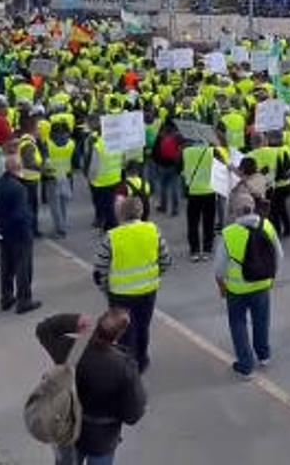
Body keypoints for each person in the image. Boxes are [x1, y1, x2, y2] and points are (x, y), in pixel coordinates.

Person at [36, 309, 147, 465]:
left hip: (67, 428)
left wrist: (74, 320)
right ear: (119, 334)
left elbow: (43, 330)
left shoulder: (73, 350)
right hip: (102, 439)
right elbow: (133, 414)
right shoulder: (124, 367)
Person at [93, 197, 171, 374]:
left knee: (123, 334)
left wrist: (106, 289)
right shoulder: (153, 231)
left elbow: (100, 270)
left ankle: (126, 368)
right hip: (148, 292)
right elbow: (166, 260)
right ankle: (141, 361)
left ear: (120, 213)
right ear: (141, 212)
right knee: (143, 328)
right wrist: (154, 277)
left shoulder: (112, 237)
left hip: (120, 294)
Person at [215, 191, 282, 378]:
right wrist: (272, 278)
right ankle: (264, 354)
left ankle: (245, 365)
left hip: (237, 289)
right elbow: (279, 255)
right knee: (262, 320)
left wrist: (221, 286)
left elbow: (219, 268)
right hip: (262, 284)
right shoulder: (267, 226)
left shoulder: (228, 234)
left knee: (238, 324)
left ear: (235, 211)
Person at [0, 146, 41, 315]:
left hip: (2, 232)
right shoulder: (19, 188)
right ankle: (24, 300)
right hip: (19, 233)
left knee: (6, 266)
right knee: (23, 267)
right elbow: (20, 214)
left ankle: (6, 297)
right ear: (18, 168)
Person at [43, 119, 76, 239]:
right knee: (63, 204)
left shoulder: (48, 144)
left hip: (52, 176)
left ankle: (60, 229)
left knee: (54, 205)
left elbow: (45, 160)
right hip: (66, 175)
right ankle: (63, 225)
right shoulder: (71, 143)